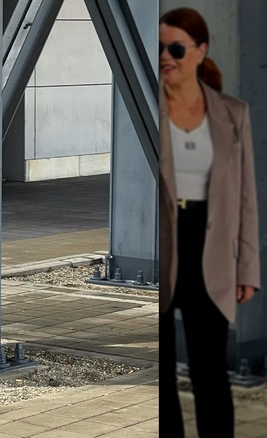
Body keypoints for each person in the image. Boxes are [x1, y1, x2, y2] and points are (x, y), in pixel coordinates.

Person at [158, 7, 259, 438]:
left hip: (211, 246)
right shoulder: (150, 105)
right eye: (160, 48)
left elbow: (246, 198)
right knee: (161, 376)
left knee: (210, 370)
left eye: (176, 49)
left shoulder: (233, 114)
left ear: (200, 51)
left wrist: (247, 269)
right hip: (164, 241)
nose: (166, 56)